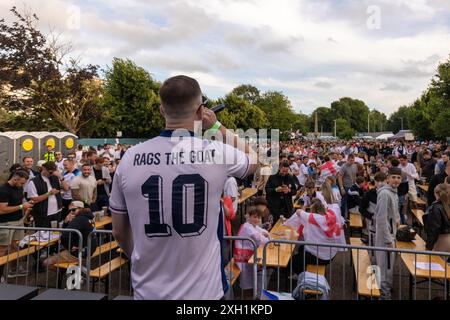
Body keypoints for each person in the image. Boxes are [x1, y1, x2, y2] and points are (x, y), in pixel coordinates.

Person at [110, 75, 257, 300]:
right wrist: (216, 125)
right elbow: (253, 158)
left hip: (148, 290)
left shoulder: (130, 157)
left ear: (162, 110)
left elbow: (119, 230)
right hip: (203, 293)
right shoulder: (215, 151)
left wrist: (140, 257)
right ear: (200, 111)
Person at [286, 199, 345, 274]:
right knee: (301, 248)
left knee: (294, 260)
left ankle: (298, 276)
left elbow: (298, 211)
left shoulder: (312, 218)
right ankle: (303, 272)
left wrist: (303, 208)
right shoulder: (330, 218)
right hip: (330, 253)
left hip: (321, 257)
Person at [375, 167, 402, 300]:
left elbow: (394, 213)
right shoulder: (385, 193)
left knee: (388, 265)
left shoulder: (394, 192)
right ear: (388, 178)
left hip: (391, 234)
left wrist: (397, 220)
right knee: (385, 266)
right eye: (393, 177)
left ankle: (385, 290)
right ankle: (384, 295)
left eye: (398, 177)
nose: (396, 180)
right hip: (385, 237)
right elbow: (381, 218)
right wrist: (388, 240)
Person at [43, 202, 97, 267]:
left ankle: (66, 272)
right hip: (89, 250)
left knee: (46, 262)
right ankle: (68, 271)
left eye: (73, 210)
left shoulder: (79, 219)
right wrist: (66, 222)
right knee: (62, 251)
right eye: (70, 210)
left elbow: (64, 234)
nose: (71, 212)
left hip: (79, 253)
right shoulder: (89, 217)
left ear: (81, 209)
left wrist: (66, 223)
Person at [234, 207, 270, 296]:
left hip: (248, 255)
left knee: (252, 277)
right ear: (249, 217)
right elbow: (260, 239)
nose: (257, 219)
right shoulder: (247, 227)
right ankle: (249, 296)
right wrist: (270, 239)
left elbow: (262, 231)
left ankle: (255, 294)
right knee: (247, 281)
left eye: (258, 217)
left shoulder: (251, 225)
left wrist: (267, 235)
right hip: (242, 257)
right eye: (254, 217)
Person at [0, 170, 33, 257]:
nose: (23, 185)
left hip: (19, 221)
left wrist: (27, 206)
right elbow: (2, 210)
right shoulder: (3, 190)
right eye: (22, 183)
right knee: (3, 248)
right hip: (6, 223)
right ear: (15, 179)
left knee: (16, 246)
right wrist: (22, 206)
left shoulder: (19, 187)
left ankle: (13, 269)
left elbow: (20, 200)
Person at [27, 162, 63, 228]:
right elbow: (34, 199)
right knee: (42, 235)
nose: (51, 174)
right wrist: (48, 194)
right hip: (42, 215)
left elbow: (66, 188)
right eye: (50, 172)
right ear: (43, 168)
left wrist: (61, 177)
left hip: (57, 212)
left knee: (55, 235)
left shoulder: (54, 178)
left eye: (53, 172)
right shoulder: (33, 181)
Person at [360, 172, 387, 254]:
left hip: (385, 225)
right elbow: (361, 208)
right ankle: (373, 263)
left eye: (382, 181)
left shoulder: (389, 194)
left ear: (386, 181)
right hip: (373, 225)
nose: (380, 183)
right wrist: (371, 216)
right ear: (374, 182)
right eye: (378, 181)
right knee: (373, 248)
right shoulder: (369, 193)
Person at [423, 184, 450, 254]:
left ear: (436, 193)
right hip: (447, 239)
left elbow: (434, 229)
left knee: (433, 263)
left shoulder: (435, 208)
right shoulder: (446, 206)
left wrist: (429, 246)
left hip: (441, 240)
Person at [338, 154, 358, 218]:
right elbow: (339, 177)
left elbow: (355, 175)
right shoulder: (344, 166)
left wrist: (355, 184)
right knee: (344, 202)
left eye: (353, 160)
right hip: (346, 186)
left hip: (352, 186)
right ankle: (343, 216)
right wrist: (341, 187)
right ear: (347, 159)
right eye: (350, 160)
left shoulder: (355, 166)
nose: (352, 162)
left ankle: (349, 216)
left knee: (351, 202)